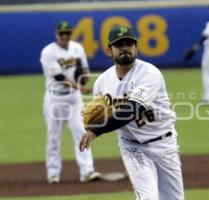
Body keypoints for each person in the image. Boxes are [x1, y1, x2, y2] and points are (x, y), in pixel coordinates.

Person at [79, 26, 185, 200]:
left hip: (165, 144)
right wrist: (92, 121)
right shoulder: (102, 83)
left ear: (136, 47)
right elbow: (99, 114)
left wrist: (96, 129)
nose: (125, 48)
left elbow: (133, 110)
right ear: (109, 51)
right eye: (119, 45)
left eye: (129, 43)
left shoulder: (150, 73)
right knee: (148, 198)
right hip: (133, 147)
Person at [40, 21, 101, 183]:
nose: (65, 36)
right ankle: (53, 173)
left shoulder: (77, 48)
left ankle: (87, 171)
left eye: (68, 33)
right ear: (56, 34)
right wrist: (81, 87)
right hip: (55, 98)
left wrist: (84, 79)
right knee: (53, 135)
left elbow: (84, 71)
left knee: (81, 132)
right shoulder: (48, 52)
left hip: (74, 98)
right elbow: (59, 77)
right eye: (62, 33)